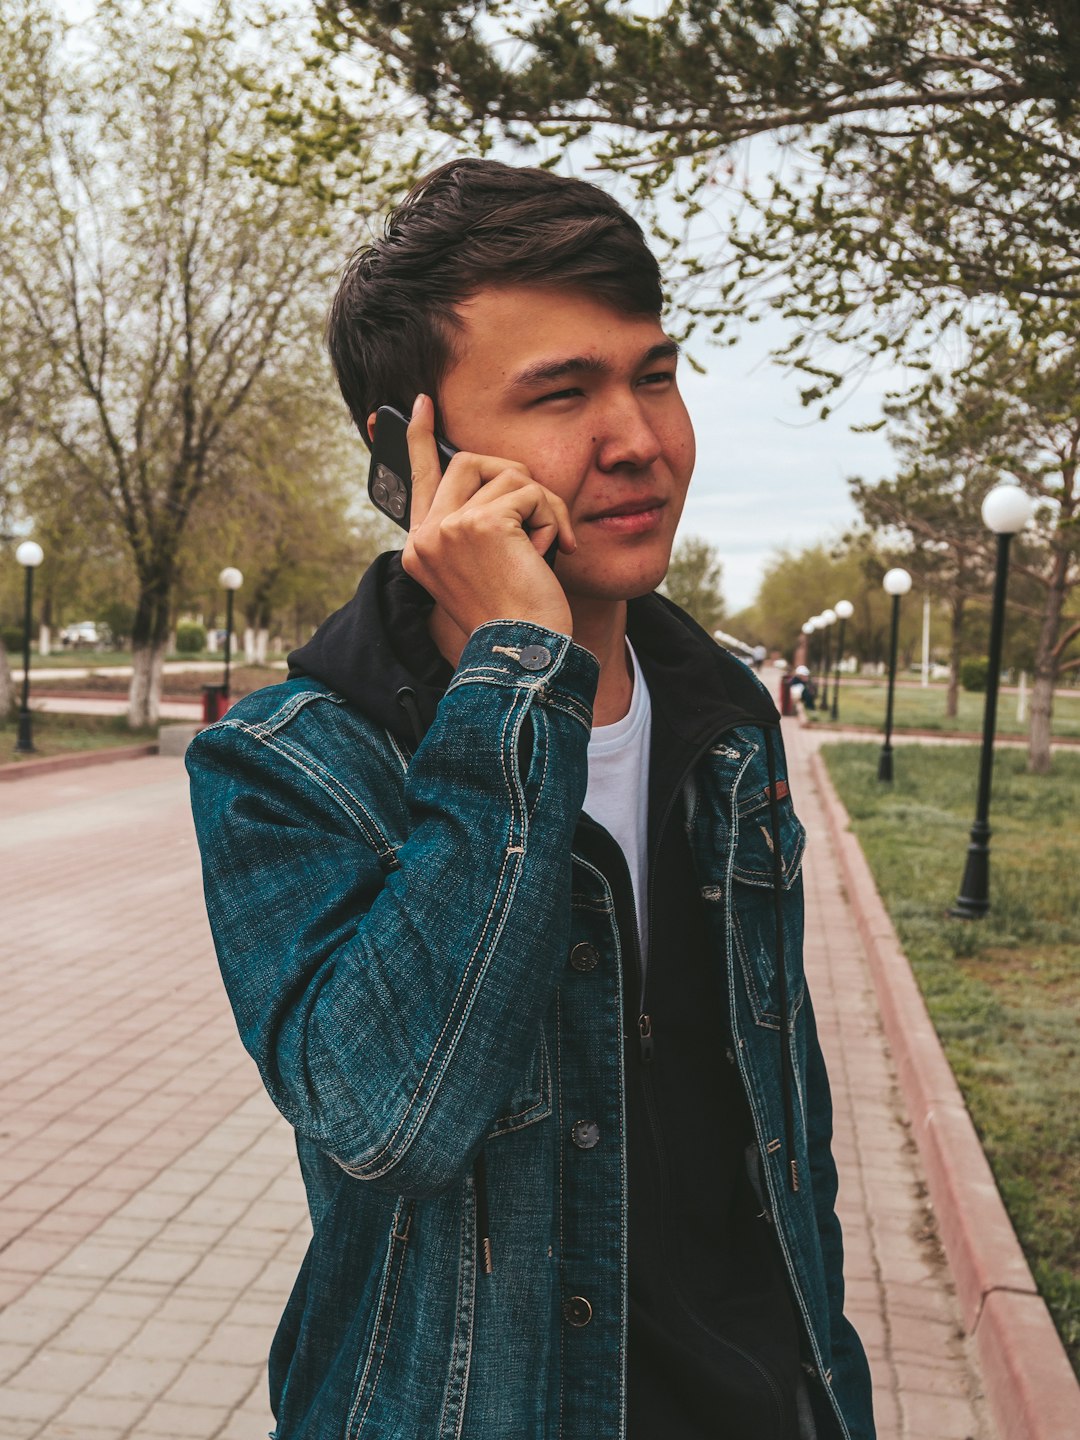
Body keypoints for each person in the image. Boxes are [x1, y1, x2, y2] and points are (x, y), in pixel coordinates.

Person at [188, 158, 874, 1440]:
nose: (639, 439)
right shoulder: (284, 765)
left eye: (654, 375)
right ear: (413, 458)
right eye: (564, 393)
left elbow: (786, 1132)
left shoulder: (726, 725)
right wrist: (519, 675)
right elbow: (389, 1120)